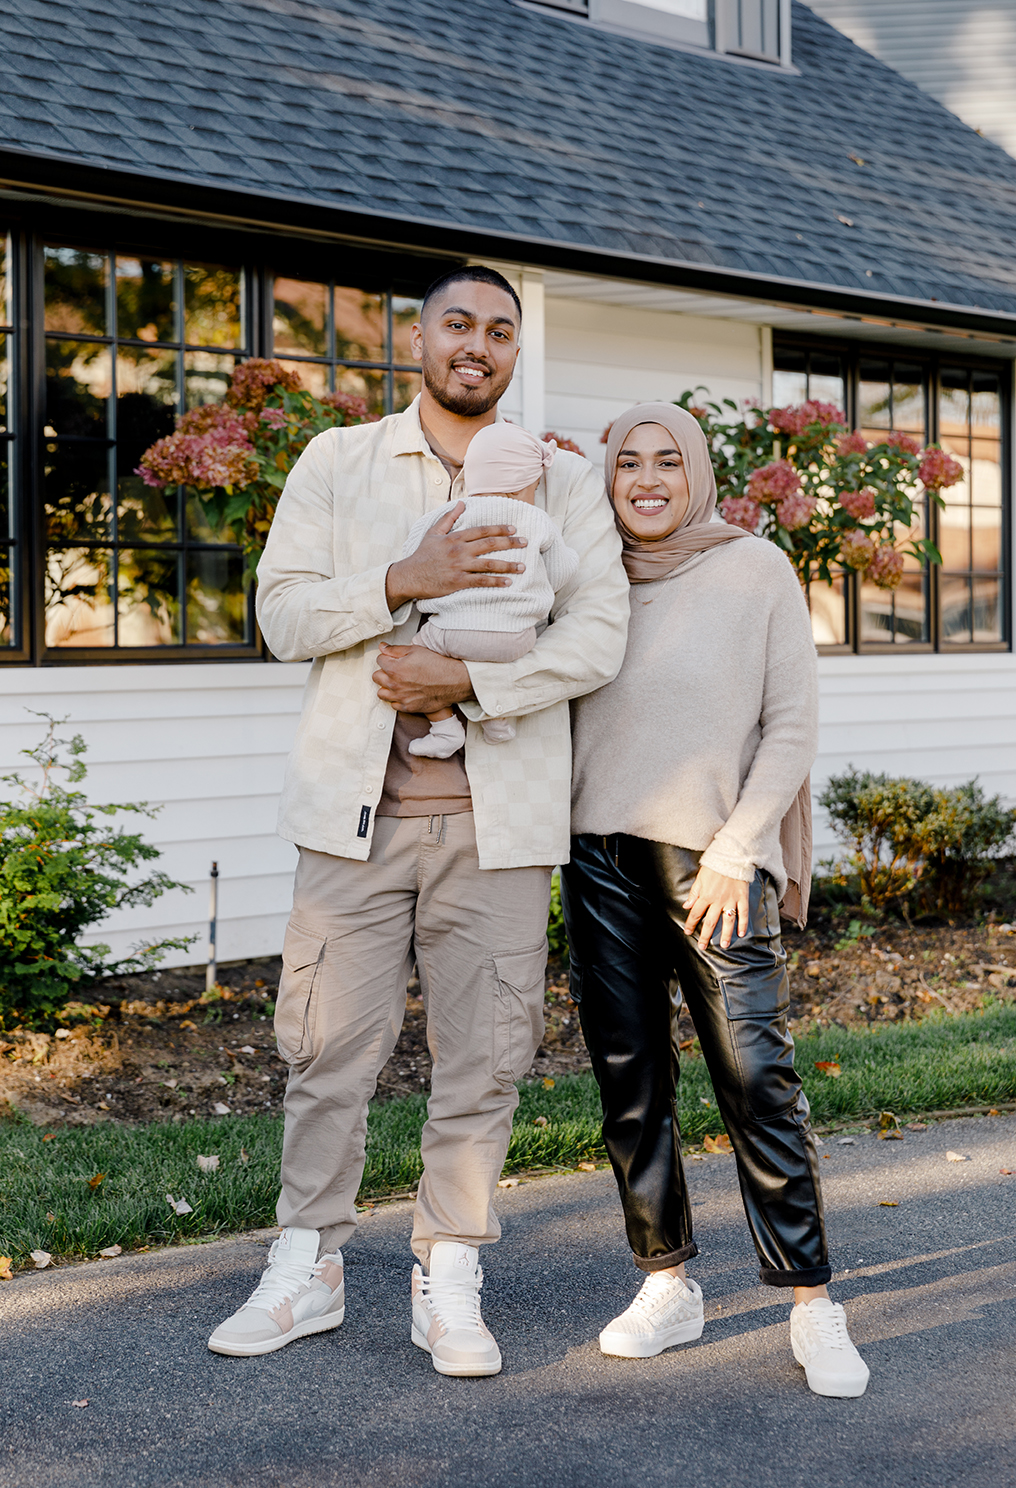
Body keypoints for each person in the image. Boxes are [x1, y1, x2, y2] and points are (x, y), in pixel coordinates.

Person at [207, 266, 630, 1376]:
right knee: (326, 1050)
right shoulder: (338, 462)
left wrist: (468, 686)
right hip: (351, 822)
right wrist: (406, 576)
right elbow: (283, 613)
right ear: (419, 337)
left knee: (483, 1060)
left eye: (500, 330)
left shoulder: (559, 480)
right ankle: (309, 1264)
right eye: (459, 324)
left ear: (514, 352)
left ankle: (447, 1272)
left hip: (499, 826)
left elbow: (598, 636)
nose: (477, 345)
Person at [561, 401, 870, 1400]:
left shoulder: (753, 569)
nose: (646, 478)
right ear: (607, 478)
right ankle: (667, 1284)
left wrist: (741, 851)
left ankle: (812, 1301)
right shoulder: (586, 574)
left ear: (697, 471)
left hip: (715, 858)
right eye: (626, 464)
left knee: (755, 1076)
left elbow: (791, 724)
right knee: (630, 1080)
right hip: (596, 852)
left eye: (666, 460)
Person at [401, 421, 579, 757]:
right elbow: (563, 569)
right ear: (518, 487)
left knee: (414, 654)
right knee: (500, 662)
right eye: (534, 487)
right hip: (517, 639)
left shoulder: (450, 513)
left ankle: (444, 728)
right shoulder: (537, 519)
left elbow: (413, 555)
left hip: (453, 632)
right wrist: (531, 588)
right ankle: (498, 717)